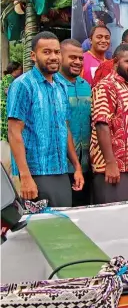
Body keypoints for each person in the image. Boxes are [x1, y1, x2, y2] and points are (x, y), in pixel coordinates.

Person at [7, 32, 84, 207]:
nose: (54, 57)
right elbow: (14, 132)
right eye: (47, 52)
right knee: (39, 230)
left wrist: (76, 167)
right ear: (34, 56)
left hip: (61, 171)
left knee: (64, 227)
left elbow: (65, 129)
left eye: (57, 52)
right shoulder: (23, 85)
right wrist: (25, 176)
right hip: (35, 173)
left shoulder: (61, 86)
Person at [90, 44, 128, 204]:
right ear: (116, 62)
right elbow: (101, 124)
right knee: (113, 219)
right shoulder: (106, 86)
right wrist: (110, 163)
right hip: (113, 169)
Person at [93, 27, 128, 158]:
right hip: (111, 154)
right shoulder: (107, 68)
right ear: (123, 44)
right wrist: (109, 160)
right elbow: (100, 117)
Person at [57, 39, 92, 206]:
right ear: (60, 57)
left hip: (86, 165)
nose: (77, 62)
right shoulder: (52, 85)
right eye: (72, 57)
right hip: (60, 167)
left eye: (80, 58)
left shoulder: (86, 86)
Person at [1, 61, 22, 142]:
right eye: (20, 69)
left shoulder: (6, 77)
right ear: (14, 70)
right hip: (5, 107)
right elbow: (7, 91)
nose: (21, 71)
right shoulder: (10, 78)